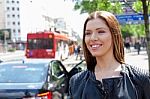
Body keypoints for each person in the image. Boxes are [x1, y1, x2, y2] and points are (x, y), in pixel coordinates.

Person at [69, 11, 150, 99]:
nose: (93, 38)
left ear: (114, 35)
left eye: (100, 31)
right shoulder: (76, 82)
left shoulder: (140, 79)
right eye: (88, 33)